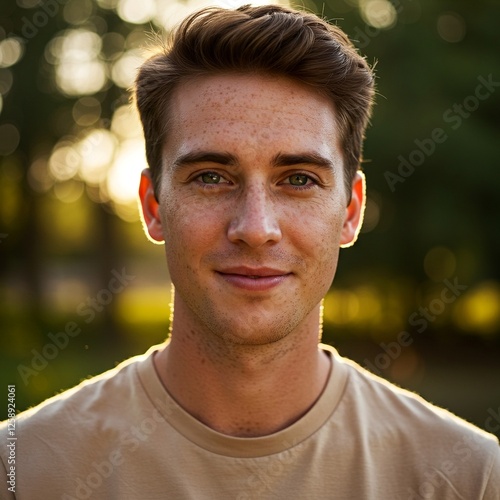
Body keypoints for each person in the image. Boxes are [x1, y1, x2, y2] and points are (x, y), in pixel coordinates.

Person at [1, 4, 499, 499]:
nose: (256, 228)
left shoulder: (470, 479)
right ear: (154, 206)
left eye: (299, 179)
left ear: (351, 211)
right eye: (211, 177)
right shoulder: (19, 472)